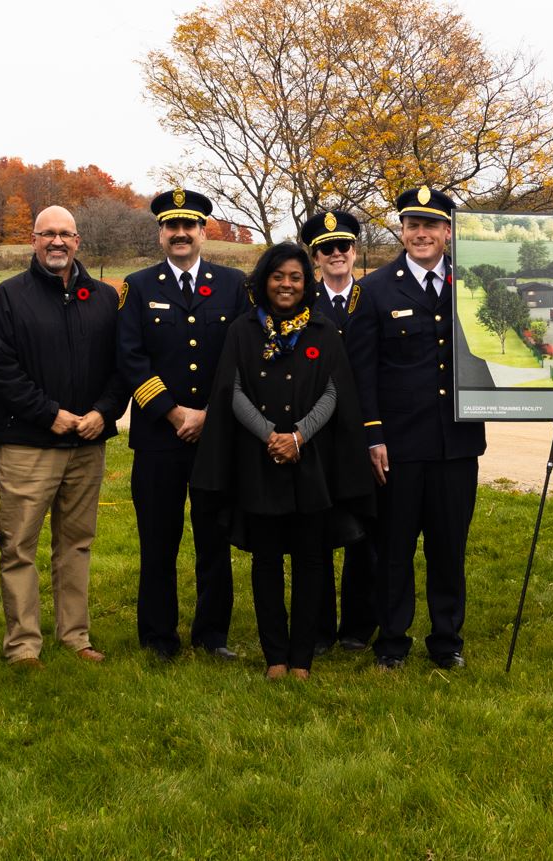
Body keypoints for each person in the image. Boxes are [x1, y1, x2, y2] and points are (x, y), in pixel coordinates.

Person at [193, 242, 373, 679]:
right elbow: (231, 391)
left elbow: (334, 392)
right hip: (259, 464)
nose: (286, 284)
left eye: (294, 277)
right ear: (263, 281)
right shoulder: (242, 331)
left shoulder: (323, 331)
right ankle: (275, 656)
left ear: (305, 282)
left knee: (313, 561)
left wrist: (298, 436)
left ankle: (302, 659)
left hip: (311, 466)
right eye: (278, 277)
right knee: (267, 560)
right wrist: (270, 436)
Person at [0, 205, 128, 668]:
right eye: (48, 234)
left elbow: (123, 367)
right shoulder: (8, 297)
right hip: (29, 444)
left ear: (78, 241)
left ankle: (75, 635)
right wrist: (50, 415)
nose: (57, 242)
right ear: (33, 240)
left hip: (87, 445)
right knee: (19, 546)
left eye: (66, 234)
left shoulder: (104, 297)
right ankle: (23, 645)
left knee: (76, 543)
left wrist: (104, 413)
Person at [345, 185, 486, 670]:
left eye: (431, 225)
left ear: (448, 231)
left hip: (456, 443)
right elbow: (363, 372)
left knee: (449, 548)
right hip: (399, 446)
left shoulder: (474, 284)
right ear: (401, 231)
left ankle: (447, 641)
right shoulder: (376, 288)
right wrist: (373, 434)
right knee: (394, 550)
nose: (420, 233)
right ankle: (393, 642)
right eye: (412, 225)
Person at [115, 188, 250, 661]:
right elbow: (130, 358)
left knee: (214, 537)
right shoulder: (138, 286)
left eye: (189, 225)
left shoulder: (233, 285)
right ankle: (158, 636)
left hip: (216, 438)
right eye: (171, 225)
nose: (180, 233)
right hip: (158, 437)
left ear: (202, 231)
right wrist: (174, 413)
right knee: (158, 539)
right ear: (160, 233)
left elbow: (242, 358)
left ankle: (213, 635)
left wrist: (209, 414)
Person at [303, 209, 377, 653]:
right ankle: (318, 629)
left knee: (363, 530)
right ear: (315, 256)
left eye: (343, 246)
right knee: (315, 531)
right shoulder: (302, 302)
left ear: (354, 251)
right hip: (315, 433)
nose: (336, 254)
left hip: (361, 430)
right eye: (326, 248)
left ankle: (357, 626)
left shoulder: (375, 299)